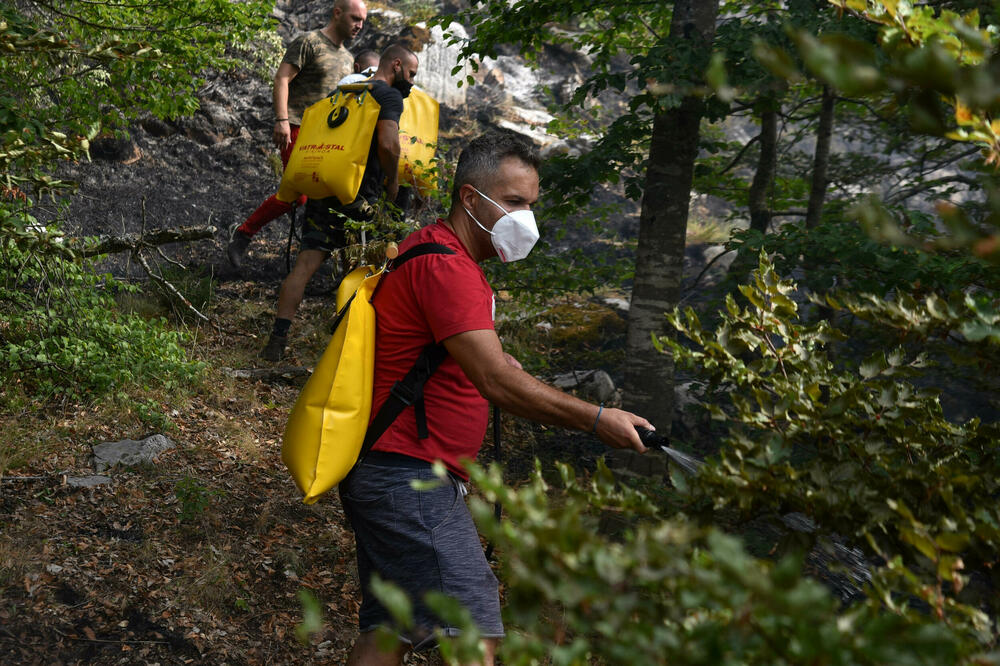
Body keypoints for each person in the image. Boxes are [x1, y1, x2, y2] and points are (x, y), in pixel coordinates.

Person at [340, 130, 653, 665]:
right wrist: (597, 418)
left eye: (531, 204)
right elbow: (496, 382)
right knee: (475, 627)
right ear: (470, 198)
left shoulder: (434, 252)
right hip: (408, 476)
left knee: (389, 630)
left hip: (388, 470)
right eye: (513, 201)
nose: (525, 217)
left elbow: (457, 361)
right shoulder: (447, 267)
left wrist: (494, 366)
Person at [260, 45, 420, 361]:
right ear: (396, 65)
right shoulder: (388, 96)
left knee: (304, 266)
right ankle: (348, 346)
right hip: (359, 195)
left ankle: (277, 340)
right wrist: (392, 181)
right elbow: (388, 143)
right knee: (361, 268)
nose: (412, 81)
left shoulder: (346, 91)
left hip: (325, 187)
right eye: (411, 73)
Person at [226, 0, 368, 269]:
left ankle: (318, 255)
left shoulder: (349, 59)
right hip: (297, 128)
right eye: (355, 18)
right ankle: (243, 234)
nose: (359, 25)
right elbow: (282, 78)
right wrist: (281, 120)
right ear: (337, 13)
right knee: (298, 193)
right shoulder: (309, 42)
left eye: (362, 20)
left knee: (327, 193)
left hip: (328, 137)